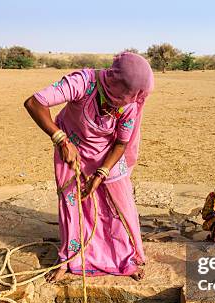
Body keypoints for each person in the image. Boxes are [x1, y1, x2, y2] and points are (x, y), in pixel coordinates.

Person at [24, 52, 154, 282]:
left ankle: (125, 259)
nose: (131, 99)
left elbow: (121, 143)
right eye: (128, 94)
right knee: (72, 204)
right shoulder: (83, 82)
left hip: (108, 155)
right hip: (70, 147)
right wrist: (61, 140)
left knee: (118, 206)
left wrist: (101, 174)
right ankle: (70, 259)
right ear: (116, 82)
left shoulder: (130, 105)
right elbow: (34, 103)